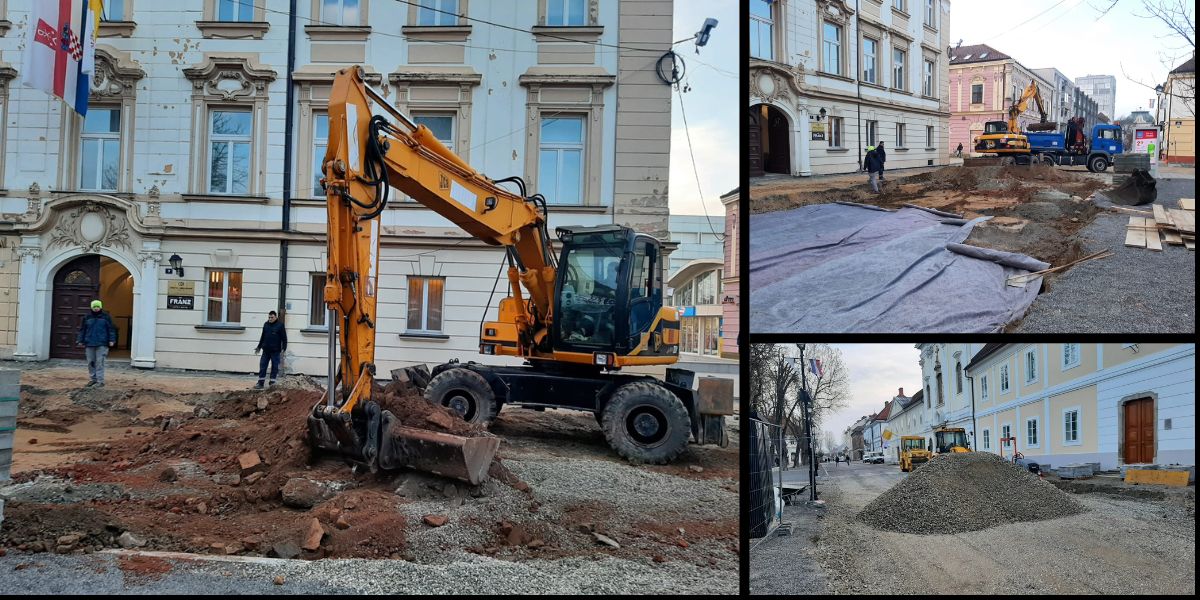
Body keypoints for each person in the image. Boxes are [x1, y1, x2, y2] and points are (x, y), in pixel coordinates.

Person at [76, 300, 116, 388]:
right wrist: (80, 340)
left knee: (100, 362)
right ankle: (93, 379)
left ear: (100, 307)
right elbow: (83, 329)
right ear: (91, 307)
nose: (96, 308)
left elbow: (111, 329)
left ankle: (100, 381)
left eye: (97, 306)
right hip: (89, 343)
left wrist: (112, 340)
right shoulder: (87, 317)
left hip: (102, 343)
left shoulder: (106, 317)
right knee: (91, 362)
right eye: (94, 307)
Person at [254, 310, 288, 389]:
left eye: (271, 317)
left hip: (275, 351)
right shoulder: (266, 325)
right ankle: (260, 382)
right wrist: (259, 347)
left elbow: (284, 338)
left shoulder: (280, 325)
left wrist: (284, 348)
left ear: (276, 317)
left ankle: (272, 382)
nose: (270, 319)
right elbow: (262, 337)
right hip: (266, 350)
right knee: (263, 366)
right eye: (269, 317)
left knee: (275, 367)